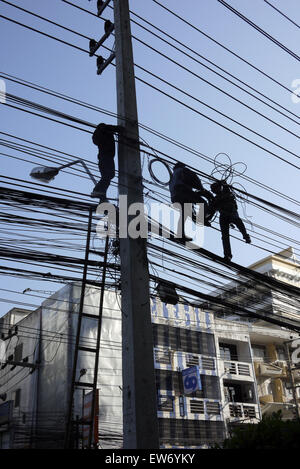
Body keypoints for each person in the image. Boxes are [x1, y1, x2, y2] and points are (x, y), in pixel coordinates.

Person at [169, 162, 214, 241]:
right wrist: (202, 189)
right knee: (203, 203)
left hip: (175, 197)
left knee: (184, 214)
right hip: (183, 192)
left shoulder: (173, 176)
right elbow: (194, 179)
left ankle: (180, 233)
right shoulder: (183, 170)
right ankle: (201, 219)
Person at [210, 180, 251, 262]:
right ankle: (227, 255)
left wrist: (223, 183)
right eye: (214, 190)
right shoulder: (215, 199)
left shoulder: (226, 191)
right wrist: (207, 220)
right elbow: (212, 210)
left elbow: (226, 187)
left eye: (216, 188)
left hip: (231, 212)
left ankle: (246, 236)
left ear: (219, 188)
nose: (215, 191)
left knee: (238, 222)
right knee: (224, 236)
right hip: (223, 216)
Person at [91, 123, 124, 202]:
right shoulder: (104, 129)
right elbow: (118, 129)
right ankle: (97, 190)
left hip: (102, 159)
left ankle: (101, 198)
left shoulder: (99, 136)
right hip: (107, 157)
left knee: (106, 177)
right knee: (109, 175)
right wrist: (123, 129)